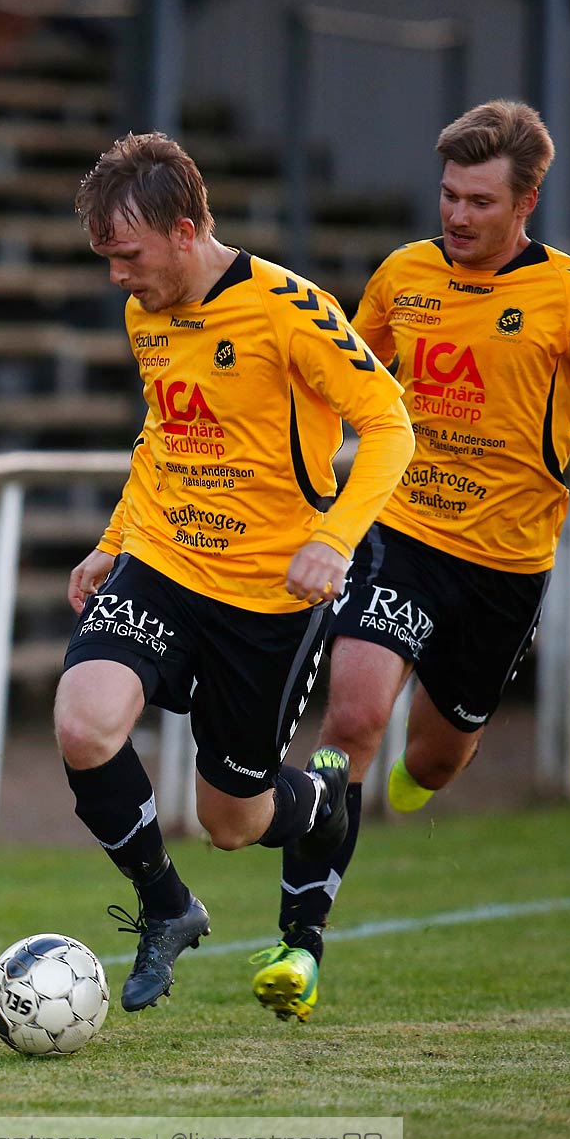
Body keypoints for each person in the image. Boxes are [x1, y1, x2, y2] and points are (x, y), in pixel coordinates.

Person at [253, 100, 570, 1022]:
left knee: (436, 759)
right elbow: (346, 386)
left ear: (526, 204)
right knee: (352, 720)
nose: (458, 215)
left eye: (479, 200)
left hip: (505, 569)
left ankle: (421, 771)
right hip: (399, 537)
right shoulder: (402, 277)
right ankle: (300, 946)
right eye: (448, 195)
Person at [56, 132, 414, 1014]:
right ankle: (165, 907)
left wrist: (333, 538)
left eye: (127, 256)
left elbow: (391, 426)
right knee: (85, 724)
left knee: (234, 821)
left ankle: (321, 803)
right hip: (165, 561)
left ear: (185, 230)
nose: (117, 279)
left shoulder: (291, 309)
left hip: (270, 595)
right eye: (104, 259)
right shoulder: (148, 310)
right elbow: (163, 439)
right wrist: (113, 540)